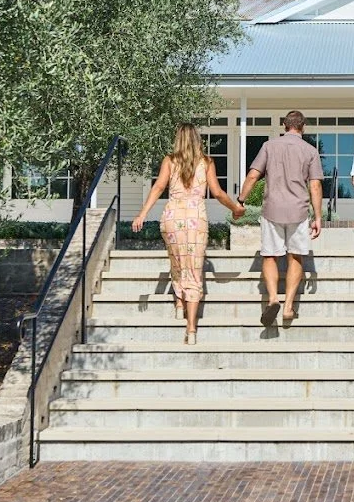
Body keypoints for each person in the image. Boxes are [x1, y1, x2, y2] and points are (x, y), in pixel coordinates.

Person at [132, 124, 245, 345]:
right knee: (194, 269)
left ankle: (179, 303)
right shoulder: (207, 162)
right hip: (196, 218)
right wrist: (235, 208)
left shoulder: (169, 160)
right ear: (197, 139)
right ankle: (191, 329)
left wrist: (142, 214)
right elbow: (218, 192)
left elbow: (158, 187)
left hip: (172, 217)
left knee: (177, 261)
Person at [239, 110, 324, 325]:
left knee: (270, 256)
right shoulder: (310, 150)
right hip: (298, 211)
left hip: (272, 209)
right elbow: (315, 185)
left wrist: (240, 200)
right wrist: (318, 217)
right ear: (302, 127)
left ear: (285, 125)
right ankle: (288, 307)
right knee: (295, 256)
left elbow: (253, 175)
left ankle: (273, 299)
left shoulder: (269, 146)